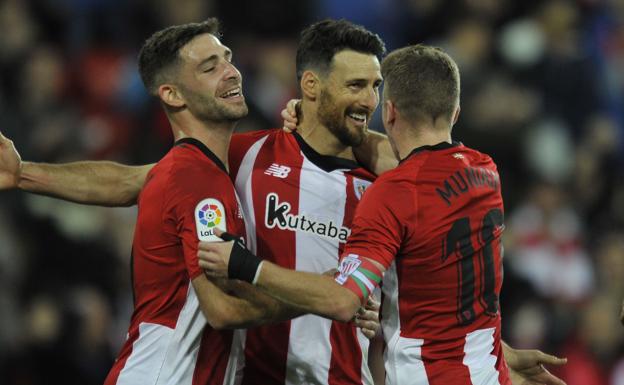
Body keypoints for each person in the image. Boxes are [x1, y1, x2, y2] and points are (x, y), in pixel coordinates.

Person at [0, 20, 565, 385]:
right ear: (310, 88)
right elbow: (135, 181)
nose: (369, 101)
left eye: (376, 88)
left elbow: (433, 287)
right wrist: (26, 176)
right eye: (355, 86)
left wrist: (494, 350)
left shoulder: (394, 182)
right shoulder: (243, 157)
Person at [197, 44, 567, 385]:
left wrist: (246, 265)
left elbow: (343, 300)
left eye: (375, 90)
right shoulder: (485, 171)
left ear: (389, 113)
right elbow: (443, 294)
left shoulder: (393, 192)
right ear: (455, 112)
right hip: (487, 371)